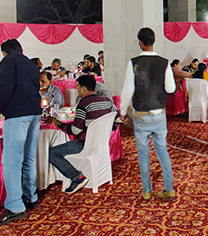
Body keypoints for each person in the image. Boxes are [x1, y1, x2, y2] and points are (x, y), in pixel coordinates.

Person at [0, 39, 42, 226]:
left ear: (4, 51)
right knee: (29, 158)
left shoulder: (7, 61)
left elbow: (6, 88)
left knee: (11, 161)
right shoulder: (31, 64)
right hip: (35, 113)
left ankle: (15, 206)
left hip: (18, 115)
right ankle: (30, 196)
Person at [121, 27, 176, 201]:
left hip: (141, 114)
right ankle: (169, 189)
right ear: (154, 41)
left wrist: (122, 111)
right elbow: (171, 88)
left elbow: (128, 91)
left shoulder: (133, 63)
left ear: (140, 42)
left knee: (143, 153)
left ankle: (146, 191)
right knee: (162, 150)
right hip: (159, 113)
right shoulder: (164, 62)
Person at [46, 74, 116, 194]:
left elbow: (76, 130)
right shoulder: (107, 101)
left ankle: (76, 177)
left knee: (52, 153)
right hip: (102, 142)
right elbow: (117, 119)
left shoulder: (83, 104)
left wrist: (58, 124)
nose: (77, 90)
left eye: (77, 87)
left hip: (85, 144)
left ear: (84, 89)